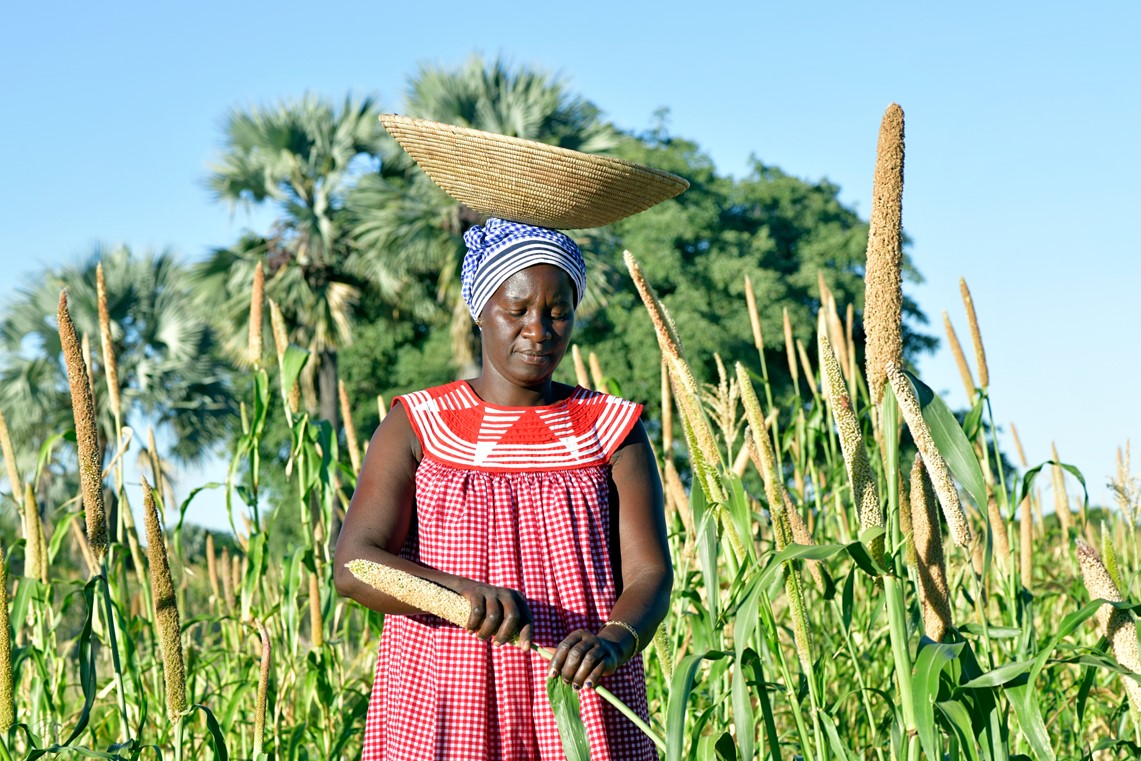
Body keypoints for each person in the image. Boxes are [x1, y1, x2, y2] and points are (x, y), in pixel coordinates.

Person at [334, 218, 673, 760]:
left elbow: (650, 573)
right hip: (449, 696)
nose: (538, 330)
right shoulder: (418, 424)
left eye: (558, 312)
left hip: (578, 694)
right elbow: (354, 566)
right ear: (480, 310)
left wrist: (613, 641)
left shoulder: (610, 428)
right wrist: (457, 593)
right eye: (516, 311)